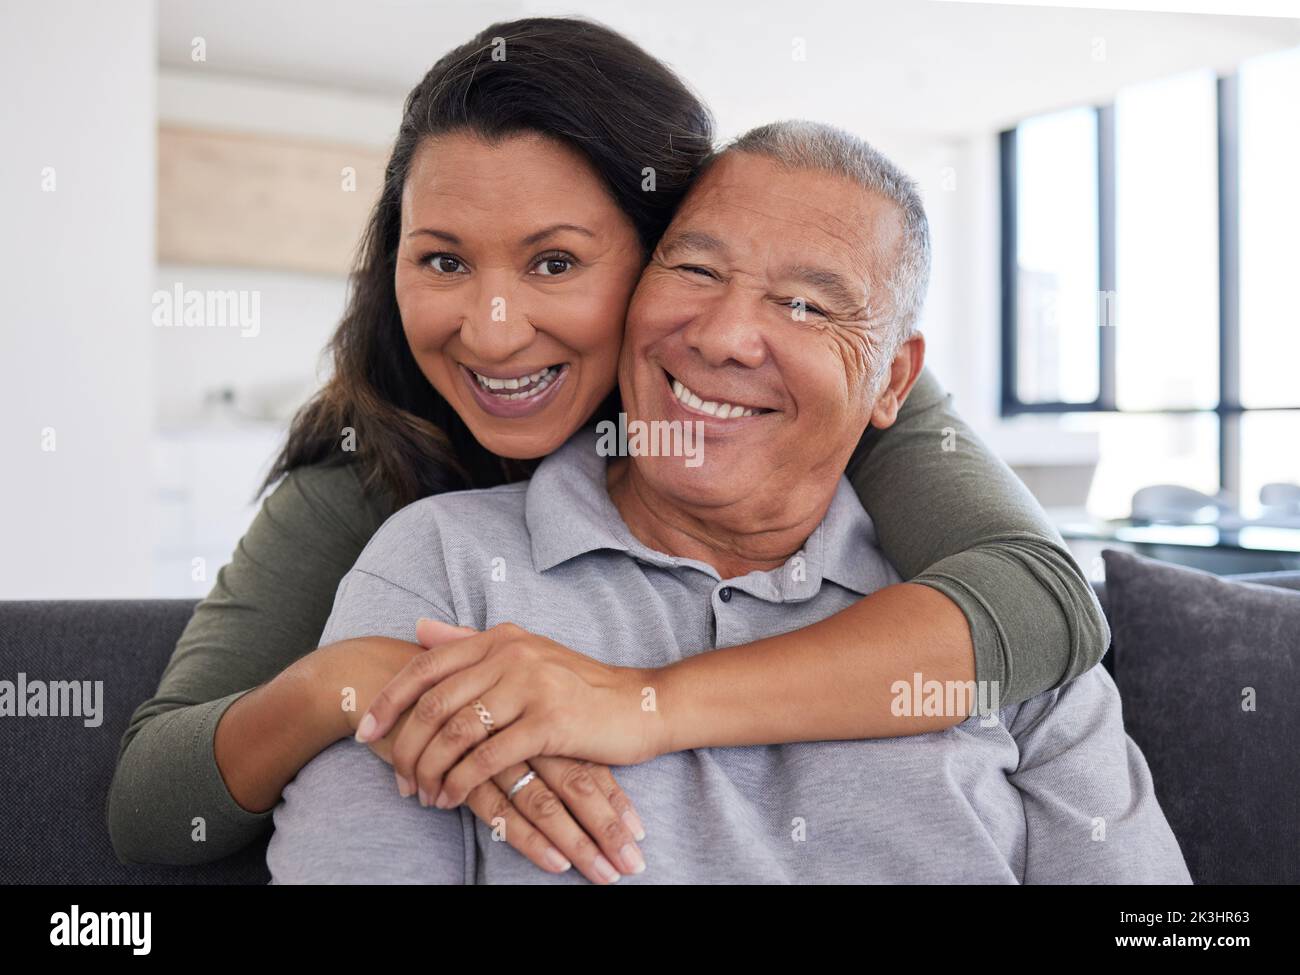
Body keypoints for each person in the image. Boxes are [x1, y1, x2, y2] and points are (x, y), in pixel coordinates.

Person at [110, 18, 1108, 885]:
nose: (493, 333)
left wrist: (643, 707)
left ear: (658, 254)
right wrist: (368, 680)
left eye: (555, 262)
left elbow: (1039, 602)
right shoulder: (371, 493)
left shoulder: (799, 394)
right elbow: (153, 804)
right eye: (443, 260)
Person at [268, 121, 1187, 884]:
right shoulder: (441, 567)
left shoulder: (989, 626)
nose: (726, 335)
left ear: (892, 378)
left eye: (806, 306)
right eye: (696, 272)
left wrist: (644, 703)